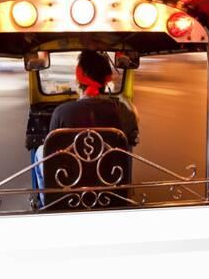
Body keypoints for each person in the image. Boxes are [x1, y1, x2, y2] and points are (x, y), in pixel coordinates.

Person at [33, 50, 139, 205]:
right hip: (109, 184)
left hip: (69, 186)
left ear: (78, 80)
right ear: (106, 80)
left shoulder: (61, 112)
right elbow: (133, 139)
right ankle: (124, 194)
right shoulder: (122, 111)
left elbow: (53, 154)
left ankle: (48, 201)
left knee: (41, 150)